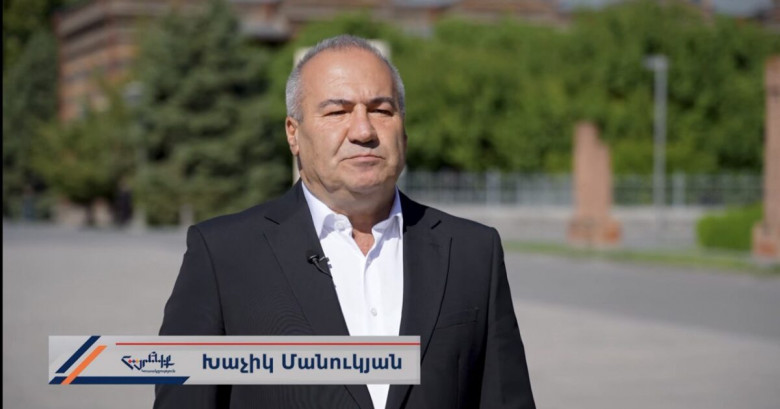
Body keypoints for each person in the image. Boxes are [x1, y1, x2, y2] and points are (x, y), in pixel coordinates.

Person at [154, 34, 535, 409]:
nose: (364, 131)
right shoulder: (222, 255)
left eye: (381, 110)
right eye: (337, 112)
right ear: (293, 134)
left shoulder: (472, 252)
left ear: (403, 129)